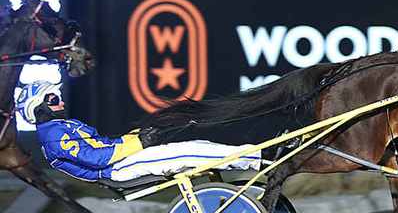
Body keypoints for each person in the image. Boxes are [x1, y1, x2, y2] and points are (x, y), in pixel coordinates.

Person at [16, 81, 265, 182]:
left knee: (195, 144)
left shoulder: (60, 127)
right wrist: (140, 143)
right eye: (51, 98)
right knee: (189, 152)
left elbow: (103, 145)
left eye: (57, 96)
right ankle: (258, 160)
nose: (59, 101)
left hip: (121, 160)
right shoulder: (53, 135)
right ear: (38, 109)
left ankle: (256, 156)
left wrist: (139, 135)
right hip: (116, 169)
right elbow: (96, 158)